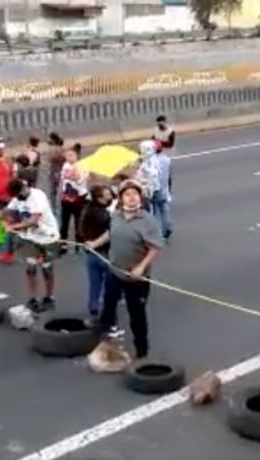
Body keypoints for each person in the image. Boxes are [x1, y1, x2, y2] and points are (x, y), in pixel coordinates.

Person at [86, 179, 162, 359]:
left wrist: (140, 268)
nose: (132, 198)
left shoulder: (148, 221)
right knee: (109, 302)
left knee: (137, 315)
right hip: (115, 272)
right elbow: (110, 233)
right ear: (120, 198)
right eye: (127, 195)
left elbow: (155, 248)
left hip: (136, 278)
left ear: (140, 198)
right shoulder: (117, 215)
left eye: (135, 194)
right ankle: (103, 333)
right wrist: (94, 243)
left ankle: (142, 352)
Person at [4, 178, 60, 312]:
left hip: (48, 237)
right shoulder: (17, 198)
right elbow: (8, 211)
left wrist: (13, 226)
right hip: (30, 238)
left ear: (24, 188)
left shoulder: (37, 196)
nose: (18, 198)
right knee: (31, 269)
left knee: (47, 269)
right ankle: (32, 298)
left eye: (19, 195)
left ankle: (49, 297)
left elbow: (34, 220)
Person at [79, 185, 113, 319]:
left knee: (94, 283)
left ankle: (93, 307)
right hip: (104, 253)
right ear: (100, 198)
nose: (110, 196)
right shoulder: (104, 215)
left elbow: (81, 230)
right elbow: (110, 233)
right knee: (109, 283)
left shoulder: (86, 210)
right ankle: (106, 311)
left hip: (90, 254)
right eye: (107, 194)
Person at [58, 145, 88, 253]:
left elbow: (78, 179)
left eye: (71, 155)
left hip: (79, 197)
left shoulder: (83, 165)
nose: (68, 158)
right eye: (67, 156)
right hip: (66, 197)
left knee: (78, 221)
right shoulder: (65, 165)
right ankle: (63, 244)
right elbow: (64, 178)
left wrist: (74, 169)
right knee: (64, 221)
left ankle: (79, 244)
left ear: (77, 156)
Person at [153, 141, 173, 240]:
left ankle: (157, 232)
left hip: (154, 189)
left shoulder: (151, 162)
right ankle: (168, 227)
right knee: (164, 209)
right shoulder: (166, 160)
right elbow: (169, 176)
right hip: (164, 188)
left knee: (154, 211)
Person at [47, 133, 66, 211]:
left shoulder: (54, 149)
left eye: (49, 138)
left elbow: (51, 159)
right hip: (58, 171)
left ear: (53, 140)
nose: (48, 140)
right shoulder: (61, 149)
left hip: (55, 171)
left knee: (54, 190)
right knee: (59, 189)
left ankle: (53, 205)